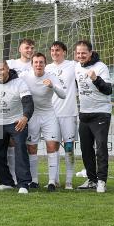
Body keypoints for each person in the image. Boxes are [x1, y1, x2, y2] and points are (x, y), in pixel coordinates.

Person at [0, 60, 34, 194]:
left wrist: (25, 117)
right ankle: (7, 182)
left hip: (16, 122)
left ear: (7, 69)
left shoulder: (19, 82)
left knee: (20, 150)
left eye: (2, 69)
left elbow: (28, 102)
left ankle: (24, 184)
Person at [21, 53, 67, 191]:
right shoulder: (25, 76)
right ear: (32, 64)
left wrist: (53, 86)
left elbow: (63, 95)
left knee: (52, 146)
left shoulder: (51, 76)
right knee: (31, 148)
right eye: (36, 62)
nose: (38, 65)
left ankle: (52, 181)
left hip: (48, 115)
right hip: (32, 115)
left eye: (41, 62)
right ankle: (34, 180)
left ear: (45, 64)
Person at [73, 40, 114, 193]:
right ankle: (92, 180)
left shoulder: (100, 67)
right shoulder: (76, 67)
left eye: (84, 53)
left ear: (90, 53)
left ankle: (102, 181)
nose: (81, 55)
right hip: (84, 114)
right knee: (85, 149)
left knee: (101, 147)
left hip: (101, 114)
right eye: (78, 53)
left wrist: (96, 79)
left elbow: (108, 90)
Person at [46, 41, 79, 189]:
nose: (54, 53)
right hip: (51, 114)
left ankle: (69, 181)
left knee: (69, 147)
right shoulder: (46, 68)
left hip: (69, 113)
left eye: (57, 50)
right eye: (52, 50)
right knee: (52, 147)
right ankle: (54, 180)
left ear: (64, 52)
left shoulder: (72, 65)